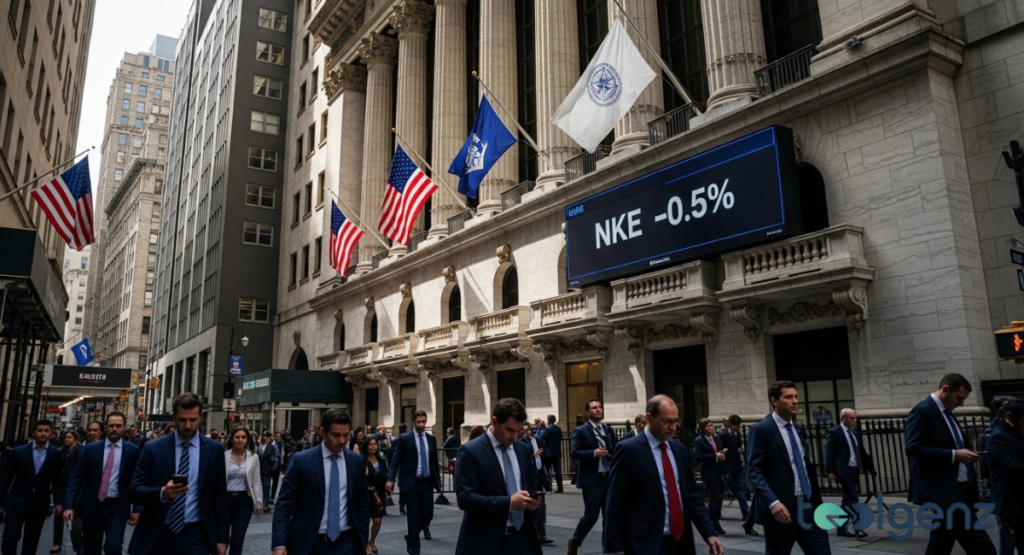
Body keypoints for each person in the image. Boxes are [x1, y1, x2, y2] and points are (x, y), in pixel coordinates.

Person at [605, 394, 724, 555]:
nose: (673, 427)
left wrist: (709, 533)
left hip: (680, 543)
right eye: (667, 421)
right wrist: (614, 549)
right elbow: (615, 502)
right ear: (649, 418)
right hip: (645, 544)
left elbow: (692, 497)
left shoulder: (679, 450)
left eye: (676, 421)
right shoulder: (628, 450)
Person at [905, 373, 996, 555]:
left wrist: (966, 455)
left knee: (941, 542)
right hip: (946, 491)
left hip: (959, 488)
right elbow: (913, 448)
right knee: (981, 546)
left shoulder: (946, 413)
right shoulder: (923, 411)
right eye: (959, 398)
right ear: (946, 389)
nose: (961, 404)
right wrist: (954, 455)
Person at [127, 392, 229, 555]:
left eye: (193, 420)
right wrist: (162, 493)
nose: (188, 425)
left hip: (196, 534)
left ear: (201, 417)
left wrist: (222, 538)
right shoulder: (153, 448)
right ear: (174, 417)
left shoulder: (214, 450)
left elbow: (220, 497)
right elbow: (134, 491)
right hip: (159, 532)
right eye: (182, 420)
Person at [747, 380, 831, 555]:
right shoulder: (761, 430)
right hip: (782, 510)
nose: (794, 401)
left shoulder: (798, 429)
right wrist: (773, 502)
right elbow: (754, 470)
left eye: (796, 397)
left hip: (808, 506)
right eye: (788, 397)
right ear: (774, 401)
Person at [272, 408, 370, 555]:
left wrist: (364, 539)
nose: (342, 441)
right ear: (323, 432)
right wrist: (279, 544)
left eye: (346, 435)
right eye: (336, 435)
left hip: (347, 542)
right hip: (309, 542)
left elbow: (362, 503)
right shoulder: (302, 461)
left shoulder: (356, 461)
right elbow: (284, 504)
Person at [454, 398, 543, 555]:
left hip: (523, 539)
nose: (514, 436)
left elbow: (530, 485)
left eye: (518, 431)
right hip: (487, 541)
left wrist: (534, 500)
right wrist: (508, 503)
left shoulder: (522, 449)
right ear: (494, 421)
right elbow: (465, 498)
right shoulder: (470, 451)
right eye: (509, 430)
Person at [62, 412, 140, 555]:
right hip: (92, 506)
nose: (114, 429)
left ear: (124, 428)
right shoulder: (91, 449)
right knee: (91, 548)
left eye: (118, 426)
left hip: (117, 507)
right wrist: (69, 506)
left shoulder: (132, 451)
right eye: (111, 425)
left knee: (114, 547)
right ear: (105, 428)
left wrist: (136, 509)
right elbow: (77, 478)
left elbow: (137, 481)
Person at [0, 419, 64, 555]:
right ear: (33, 432)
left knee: (31, 543)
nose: (43, 434)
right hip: (17, 501)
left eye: (46, 431)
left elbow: (57, 479)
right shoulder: (19, 451)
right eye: (40, 430)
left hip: (39, 504)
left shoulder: (55, 453)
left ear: (51, 433)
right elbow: (6, 477)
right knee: (9, 539)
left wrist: (59, 502)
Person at [386, 410, 440, 555]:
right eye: (418, 422)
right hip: (411, 483)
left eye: (423, 422)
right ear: (413, 422)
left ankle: (411, 536)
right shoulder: (405, 439)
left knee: (428, 515)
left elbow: (434, 462)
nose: (421, 425)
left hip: (427, 482)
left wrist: (438, 481)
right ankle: (415, 550)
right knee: (413, 516)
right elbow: (396, 460)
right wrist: (391, 478)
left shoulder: (431, 439)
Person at [568, 398, 617, 555]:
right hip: (592, 480)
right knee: (591, 517)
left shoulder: (607, 429)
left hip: (608, 479)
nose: (598, 409)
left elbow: (615, 448)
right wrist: (594, 453)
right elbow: (574, 452)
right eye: (594, 408)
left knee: (609, 518)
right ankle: (574, 542)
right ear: (587, 412)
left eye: (600, 407)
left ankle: (607, 550)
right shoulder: (581, 431)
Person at [824, 408, 875, 539]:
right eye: (852, 418)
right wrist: (829, 471)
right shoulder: (835, 432)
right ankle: (858, 528)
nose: (854, 420)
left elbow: (861, 450)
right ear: (843, 419)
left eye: (855, 418)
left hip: (855, 469)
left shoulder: (855, 431)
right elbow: (829, 453)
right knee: (853, 498)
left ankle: (841, 529)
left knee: (847, 500)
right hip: (844, 470)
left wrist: (868, 466)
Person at [980, 396, 1018, 555]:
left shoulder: (1011, 430)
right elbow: (1008, 466)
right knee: (1005, 529)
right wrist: (987, 484)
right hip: (1005, 493)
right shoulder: (996, 434)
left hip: (1010, 492)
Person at [987, 399, 1024, 551]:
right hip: (1013, 502)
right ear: (1009, 417)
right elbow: (1014, 468)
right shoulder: (999, 438)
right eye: (1023, 421)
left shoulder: (1016, 433)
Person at [224, 426, 262, 555]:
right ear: (232, 439)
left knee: (238, 539)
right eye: (237, 437)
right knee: (222, 539)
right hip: (225, 499)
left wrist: (258, 502)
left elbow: (256, 481)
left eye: (243, 437)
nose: (240, 440)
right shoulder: (224, 456)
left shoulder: (253, 457)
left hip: (244, 500)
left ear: (247, 440)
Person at [717, 414, 755, 534]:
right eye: (735, 425)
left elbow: (738, 447)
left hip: (737, 465)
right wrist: (723, 451)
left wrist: (741, 449)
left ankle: (746, 513)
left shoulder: (737, 434)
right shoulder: (722, 435)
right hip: (727, 466)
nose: (737, 428)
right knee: (723, 489)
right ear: (730, 424)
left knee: (741, 488)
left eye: (738, 425)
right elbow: (718, 448)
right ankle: (716, 512)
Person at [693, 417, 728, 535]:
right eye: (709, 426)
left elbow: (719, 451)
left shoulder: (716, 438)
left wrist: (722, 453)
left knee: (718, 499)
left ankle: (709, 519)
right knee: (717, 498)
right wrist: (715, 456)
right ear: (703, 428)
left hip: (719, 472)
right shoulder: (699, 441)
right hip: (709, 473)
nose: (712, 427)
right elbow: (699, 457)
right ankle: (713, 522)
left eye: (712, 425)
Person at [51, 430, 84, 554]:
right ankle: (57, 543)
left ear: (75, 439)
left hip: (77, 488)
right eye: (65, 437)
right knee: (58, 513)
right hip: (63, 486)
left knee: (75, 523)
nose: (67, 440)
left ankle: (79, 546)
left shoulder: (81, 451)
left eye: (70, 437)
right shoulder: (60, 452)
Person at [521, 423, 551, 545]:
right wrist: (533, 455)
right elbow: (523, 458)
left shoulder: (538, 440)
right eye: (527, 429)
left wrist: (543, 453)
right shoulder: (522, 441)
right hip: (530, 477)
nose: (530, 431)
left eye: (531, 429)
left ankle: (542, 534)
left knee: (541, 507)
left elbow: (546, 455)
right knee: (531, 507)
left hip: (540, 475)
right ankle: (532, 534)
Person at [362, 436, 389, 555]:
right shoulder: (362, 460)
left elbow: (386, 474)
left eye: (375, 444)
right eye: (371, 444)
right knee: (365, 521)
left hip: (379, 494)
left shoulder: (381, 460)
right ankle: (365, 544)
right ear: (366, 446)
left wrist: (389, 483)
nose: (373, 447)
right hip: (366, 493)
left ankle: (372, 540)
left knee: (377, 520)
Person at [540, 415, 563, 493]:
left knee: (547, 470)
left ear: (549, 420)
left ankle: (548, 487)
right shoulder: (558, 429)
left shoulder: (548, 429)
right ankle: (560, 487)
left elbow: (542, 437)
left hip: (548, 452)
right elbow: (560, 437)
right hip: (556, 452)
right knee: (557, 470)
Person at [258, 432, 280, 514]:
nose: (266, 439)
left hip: (267, 470)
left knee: (266, 488)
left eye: (267, 438)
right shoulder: (259, 447)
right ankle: (257, 504)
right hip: (258, 470)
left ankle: (265, 505)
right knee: (256, 487)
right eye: (264, 438)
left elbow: (275, 458)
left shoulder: (271, 447)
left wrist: (272, 468)